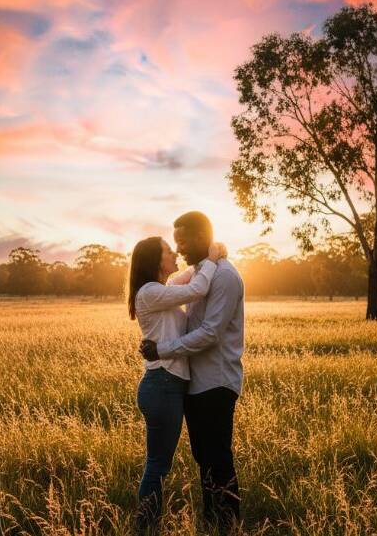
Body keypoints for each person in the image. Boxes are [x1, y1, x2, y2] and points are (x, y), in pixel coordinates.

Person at [140, 211, 245, 533]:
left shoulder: (225, 276)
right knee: (204, 456)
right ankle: (213, 520)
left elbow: (211, 332)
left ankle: (227, 523)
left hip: (216, 380)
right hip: (194, 383)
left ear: (203, 237)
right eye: (174, 244)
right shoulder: (202, 273)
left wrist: (163, 349)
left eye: (183, 241)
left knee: (217, 456)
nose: (179, 248)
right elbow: (179, 286)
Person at [128, 235, 227, 534]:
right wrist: (210, 259)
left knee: (159, 463)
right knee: (158, 464)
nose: (175, 254)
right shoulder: (150, 292)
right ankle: (145, 526)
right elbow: (198, 287)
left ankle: (147, 524)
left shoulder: (162, 289)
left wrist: (205, 261)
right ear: (155, 261)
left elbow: (190, 277)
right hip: (162, 384)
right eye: (169, 251)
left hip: (167, 385)